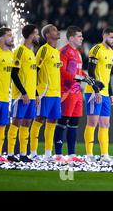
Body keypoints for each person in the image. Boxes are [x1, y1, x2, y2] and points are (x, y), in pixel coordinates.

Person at [54, 26, 89, 162]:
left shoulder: (78, 53)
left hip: (77, 92)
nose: (82, 38)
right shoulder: (64, 51)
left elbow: (78, 73)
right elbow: (62, 72)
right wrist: (79, 78)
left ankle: (71, 155)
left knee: (74, 123)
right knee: (63, 122)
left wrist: (88, 78)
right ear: (71, 38)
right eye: (79, 36)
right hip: (67, 92)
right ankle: (58, 154)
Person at [84, 27, 113, 162]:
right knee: (92, 122)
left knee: (105, 124)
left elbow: (107, 76)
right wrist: (96, 90)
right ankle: (89, 155)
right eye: (111, 37)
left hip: (104, 94)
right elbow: (90, 72)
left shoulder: (111, 53)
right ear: (104, 36)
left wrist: (111, 93)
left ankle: (105, 155)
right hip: (93, 92)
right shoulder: (96, 49)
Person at [29, 24, 62, 161]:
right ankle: (33, 152)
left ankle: (48, 154)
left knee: (52, 122)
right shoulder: (43, 50)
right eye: (54, 30)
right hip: (44, 92)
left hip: (56, 94)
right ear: (47, 35)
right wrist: (36, 92)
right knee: (39, 120)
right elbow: (35, 70)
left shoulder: (57, 52)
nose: (57, 31)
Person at [7, 24, 39, 162]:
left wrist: (36, 94)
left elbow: (32, 77)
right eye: (36, 34)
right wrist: (24, 93)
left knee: (26, 123)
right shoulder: (20, 51)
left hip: (31, 96)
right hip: (21, 96)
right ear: (31, 35)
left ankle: (23, 153)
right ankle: (9, 153)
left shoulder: (32, 53)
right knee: (16, 122)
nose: (38, 36)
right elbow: (14, 74)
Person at [0, 27, 14, 162]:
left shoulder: (11, 55)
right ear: (1, 38)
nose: (11, 38)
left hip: (6, 98)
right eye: (8, 35)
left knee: (1, 126)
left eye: (11, 35)